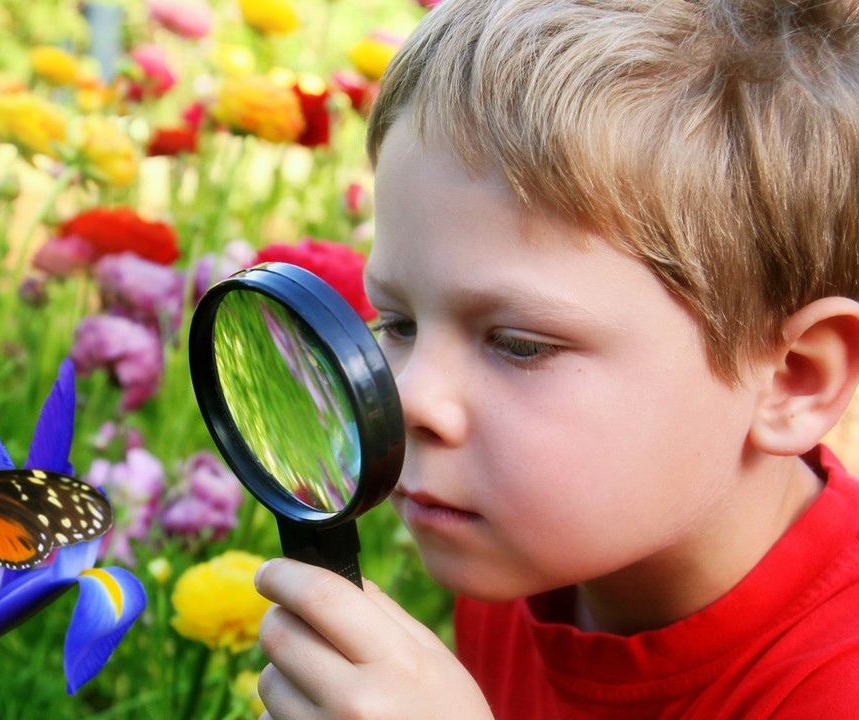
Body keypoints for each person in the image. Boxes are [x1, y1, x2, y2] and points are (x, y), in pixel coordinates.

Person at [253, 0, 859, 717]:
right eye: (397, 322)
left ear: (793, 380)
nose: (410, 397)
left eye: (519, 345)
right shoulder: (526, 561)